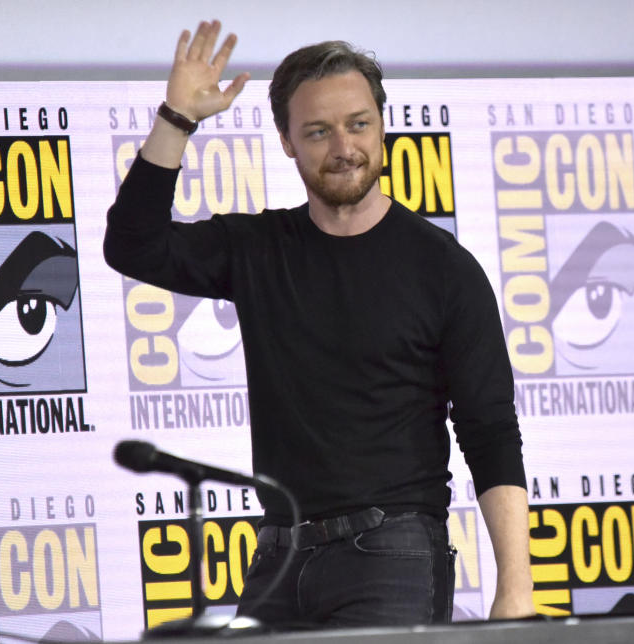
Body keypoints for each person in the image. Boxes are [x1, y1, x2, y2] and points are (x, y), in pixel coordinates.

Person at [104, 20, 533, 628]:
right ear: (286, 141)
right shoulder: (257, 248)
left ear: (382, 125)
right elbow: (133, 246)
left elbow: (490, 432)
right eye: (318, 131)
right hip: (277, 558)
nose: (344, 147)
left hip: (393, 557)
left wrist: (515, 588)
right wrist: (177, 118)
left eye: (358, 124)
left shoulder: (443, 269)